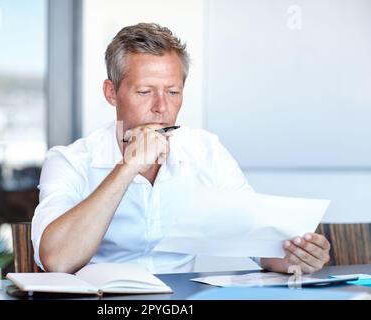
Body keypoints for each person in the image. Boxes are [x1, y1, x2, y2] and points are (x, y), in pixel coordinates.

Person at [32, 23, 330, 274]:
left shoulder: (207, 151)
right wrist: (126, 169)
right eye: (145, 92)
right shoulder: (69, 161)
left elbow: (255, 241)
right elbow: (57, 260)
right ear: (112, 93)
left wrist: (296, 257)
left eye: (173, 92)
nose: (161, 107)